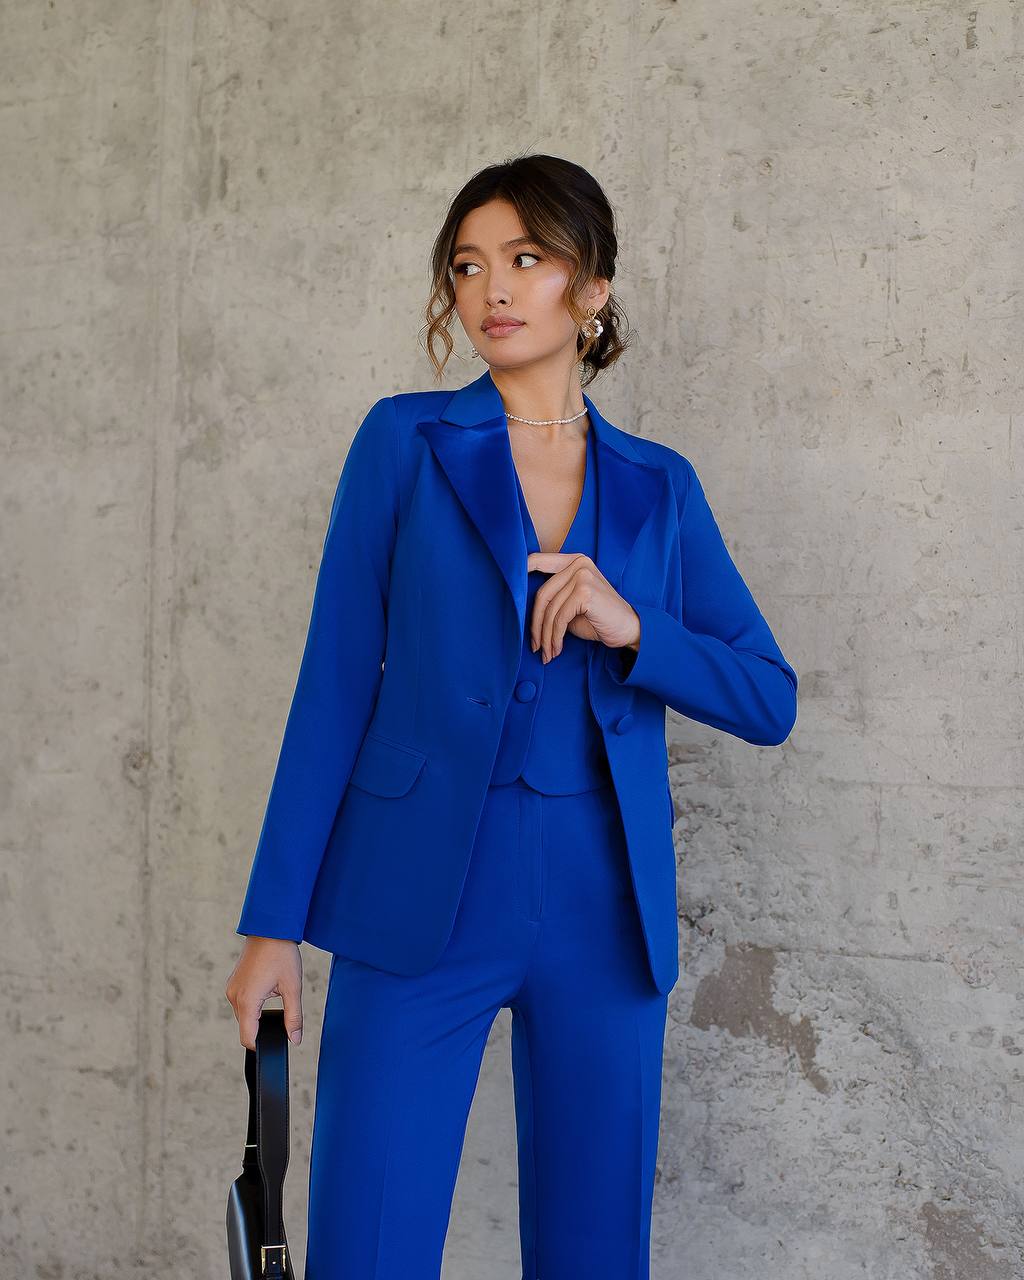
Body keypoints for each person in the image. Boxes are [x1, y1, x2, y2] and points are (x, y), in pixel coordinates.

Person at [225, 153, 798, 1279]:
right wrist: (271, 925)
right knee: (366, 1246)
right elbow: (333, 683)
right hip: (413, 897)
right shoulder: (403, 442)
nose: (491, 288)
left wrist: (632, 626)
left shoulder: (659, 485)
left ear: (593, 289)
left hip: (605, 909)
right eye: (468, 265)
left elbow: (767, 694)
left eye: (527, 259)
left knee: (595, 1254)